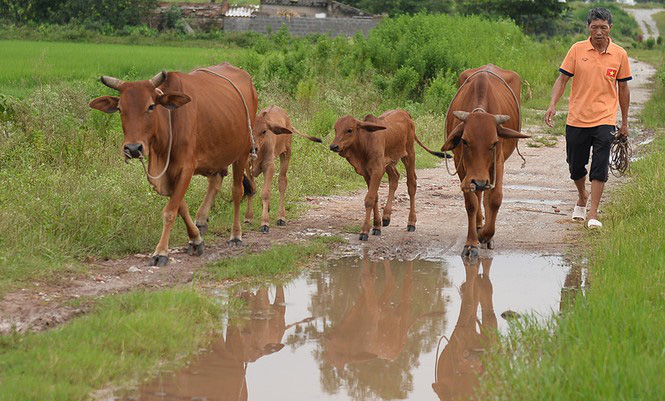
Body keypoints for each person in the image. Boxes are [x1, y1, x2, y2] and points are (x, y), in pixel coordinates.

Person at [545, 7, 631, 229]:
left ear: (610, 28)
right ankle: (582, 195)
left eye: (603, 27)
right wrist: (553, 104)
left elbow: (623, 88)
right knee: (575, 166)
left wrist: (624, 122)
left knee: (600, 165)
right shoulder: (577, 49)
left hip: (605, 118)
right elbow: (562, 80)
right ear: (588, 28)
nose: (599, 32)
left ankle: (593, 213)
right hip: (577, 118)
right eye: (595, 27)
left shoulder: (619, 54)